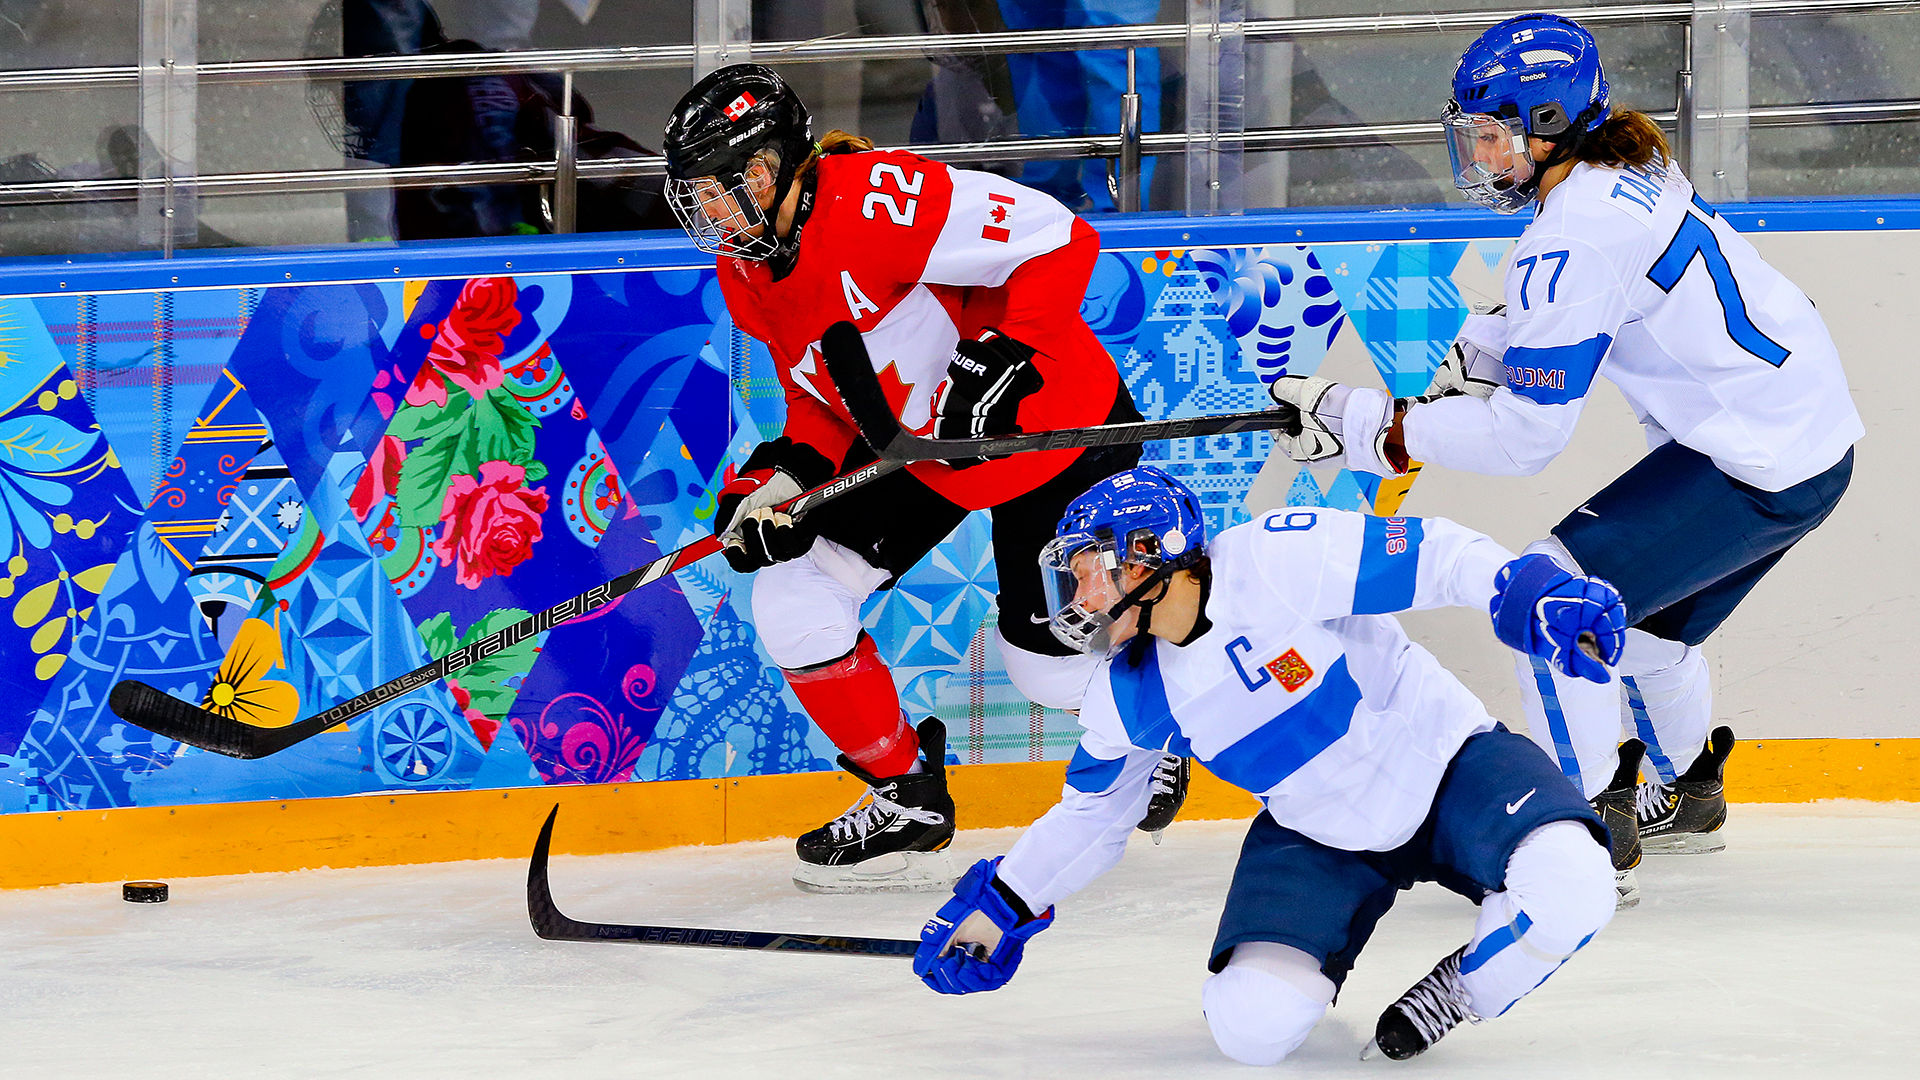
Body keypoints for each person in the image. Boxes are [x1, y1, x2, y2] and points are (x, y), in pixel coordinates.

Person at [1261, 13, 1861, 906]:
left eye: (1493, 135)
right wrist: (1491, 344)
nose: (1480, 155)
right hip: (1808, 442)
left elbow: (1523, 439)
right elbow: (1600, 290)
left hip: (1752, 458)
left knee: (1551, 600)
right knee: (1644, 634)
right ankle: (1689, 790)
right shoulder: (1630, 164)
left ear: (1547, 126)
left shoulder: (1572, 234)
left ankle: (1577, 841)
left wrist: (1379, 428)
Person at [662, 64, 1183, 894]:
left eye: (722, 187)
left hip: (1048, 431)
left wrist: (1008, 354)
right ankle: (907, 797)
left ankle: (1165, 721)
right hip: (922, 449)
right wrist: (781, 479)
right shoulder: (748, 271)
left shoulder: (876, 198)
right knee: (794, 599)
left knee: (1044, 668)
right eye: (698, 195)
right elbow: (822, 401)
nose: (711, 211)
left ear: (775, 166)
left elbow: (1058, 236)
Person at [911, 466, 1623, 1062]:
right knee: (1250, 1028)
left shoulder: (1276, 557)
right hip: (1318, 834)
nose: (1080, 599)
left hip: (1449, 763)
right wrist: (999, 908)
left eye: (1092, 573)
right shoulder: (1126, 695)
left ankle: (1460, 992)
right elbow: (1091, 817)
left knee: (1575, 885)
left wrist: (1528, 588)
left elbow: (1435, 555)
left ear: (1149, 557)